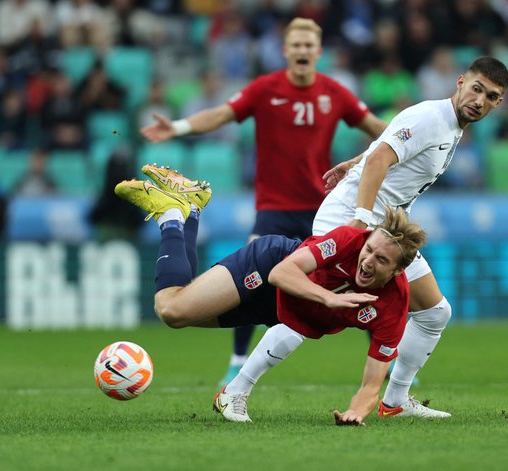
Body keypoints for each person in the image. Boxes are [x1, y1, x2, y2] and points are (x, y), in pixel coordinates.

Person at [140, 17, 387, 386]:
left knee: (357, 276)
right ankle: (238, 359)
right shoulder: (265, 88)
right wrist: (178, 128)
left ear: (318, 52)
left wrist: (412, 139)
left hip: (322, 210)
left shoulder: (335, 93)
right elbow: (222, 115)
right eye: (296, 45)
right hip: (273, 209)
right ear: (286, 51)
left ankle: (386, 363)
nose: (302, 51)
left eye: (309, 46)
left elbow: (377, 129)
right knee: (253, 282)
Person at [114, 167, 428, 425]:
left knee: (177, 309)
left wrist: (355, 413)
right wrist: (328, 298)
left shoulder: (394, 306)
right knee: (171, 309)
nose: (368, 260)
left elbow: (371, 385)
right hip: (267, 264)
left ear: (398, 272)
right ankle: (171, 215)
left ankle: (191, 207)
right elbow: (281, 273)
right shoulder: (349, 240)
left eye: (382, 260)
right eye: (370, 249)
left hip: (277, 306)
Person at [317, 56, 508, 418]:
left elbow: (384, 149)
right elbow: (379, 162)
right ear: (460, 83)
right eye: (476, 88)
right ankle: (239, 385)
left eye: (490, 96)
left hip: (384, 228)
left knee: (434, 312)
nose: (480, 100)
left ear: (498, 103)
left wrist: (353, 162)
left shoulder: (449, 126)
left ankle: (394, 402)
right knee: (311, 310)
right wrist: (359, 221)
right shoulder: (431, 118)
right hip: (355, 220)